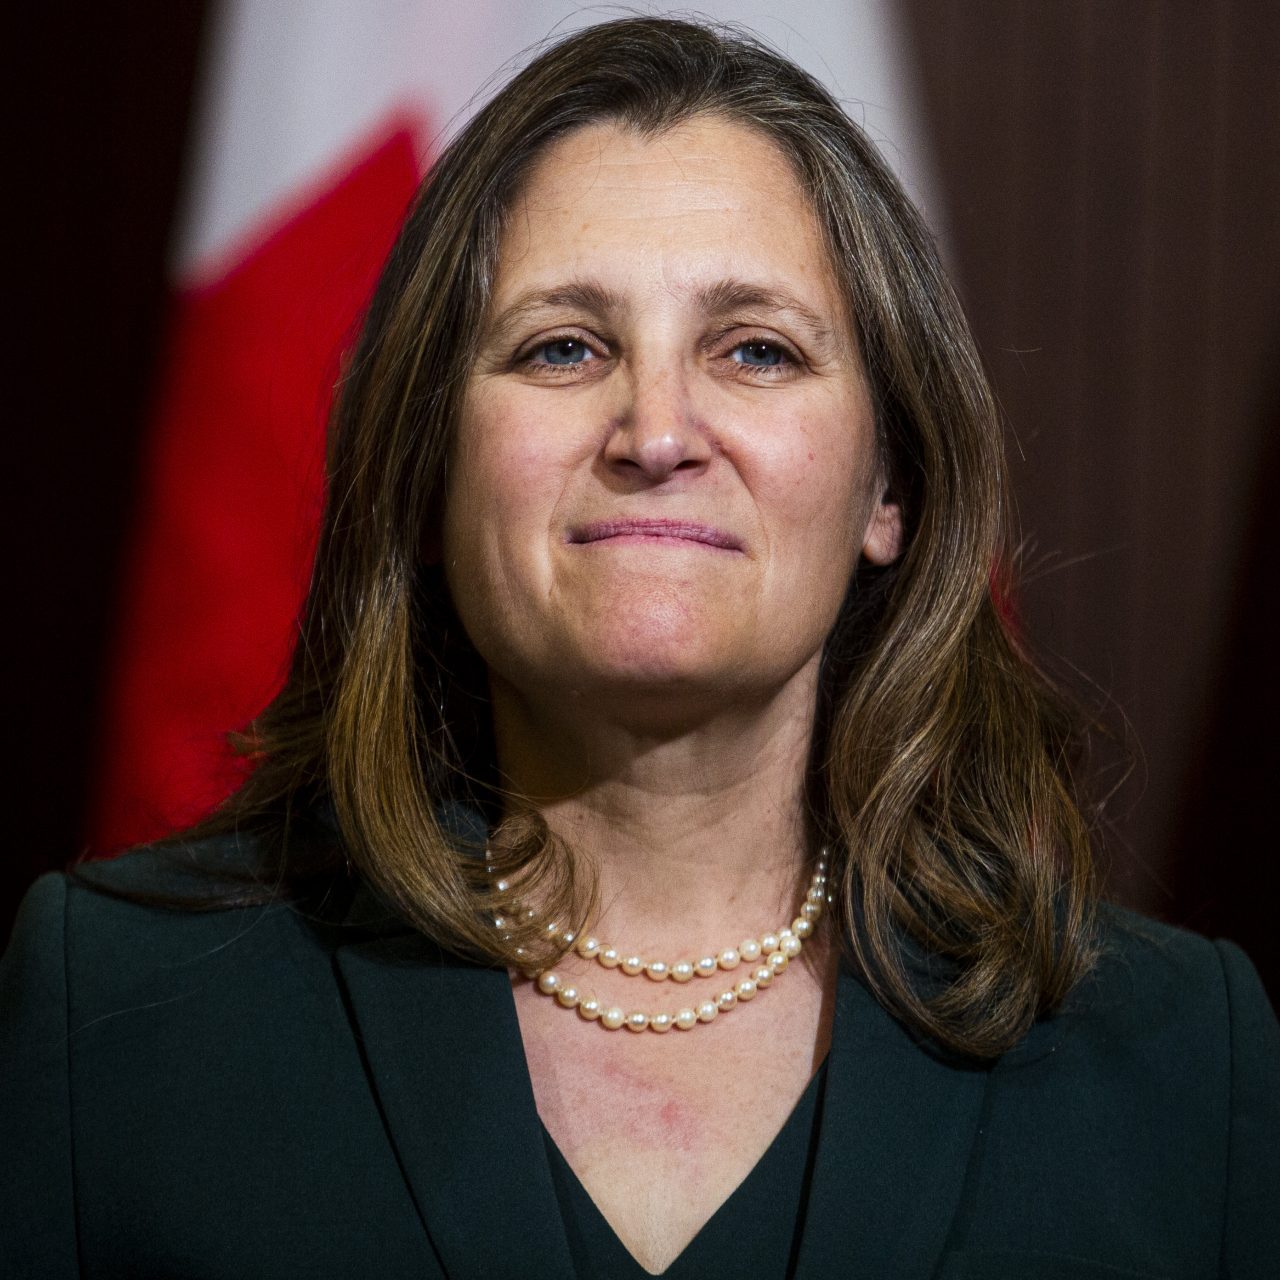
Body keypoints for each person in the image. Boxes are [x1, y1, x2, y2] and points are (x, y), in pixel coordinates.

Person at [3, 16, 1277, 1279]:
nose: (656, 434)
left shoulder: (1178, 1059)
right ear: (428, 475)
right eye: (562, 346)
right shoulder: (113, 1009)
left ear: (887, 485)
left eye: (755, 349)